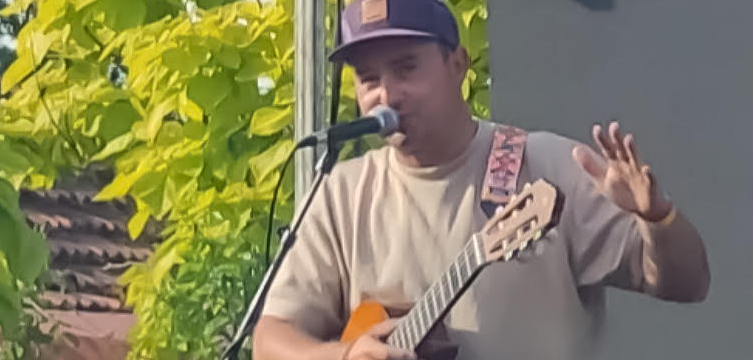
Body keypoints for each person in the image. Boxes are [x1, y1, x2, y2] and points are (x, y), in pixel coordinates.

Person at [250, 0, 711, 359]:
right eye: (368, 78)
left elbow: (688, 284)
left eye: (406, 68)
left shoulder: (545, 164)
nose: (385, 95)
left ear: (457, 65)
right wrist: (346, 353)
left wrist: (658, 217)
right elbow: (271, 339)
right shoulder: (339, 194)